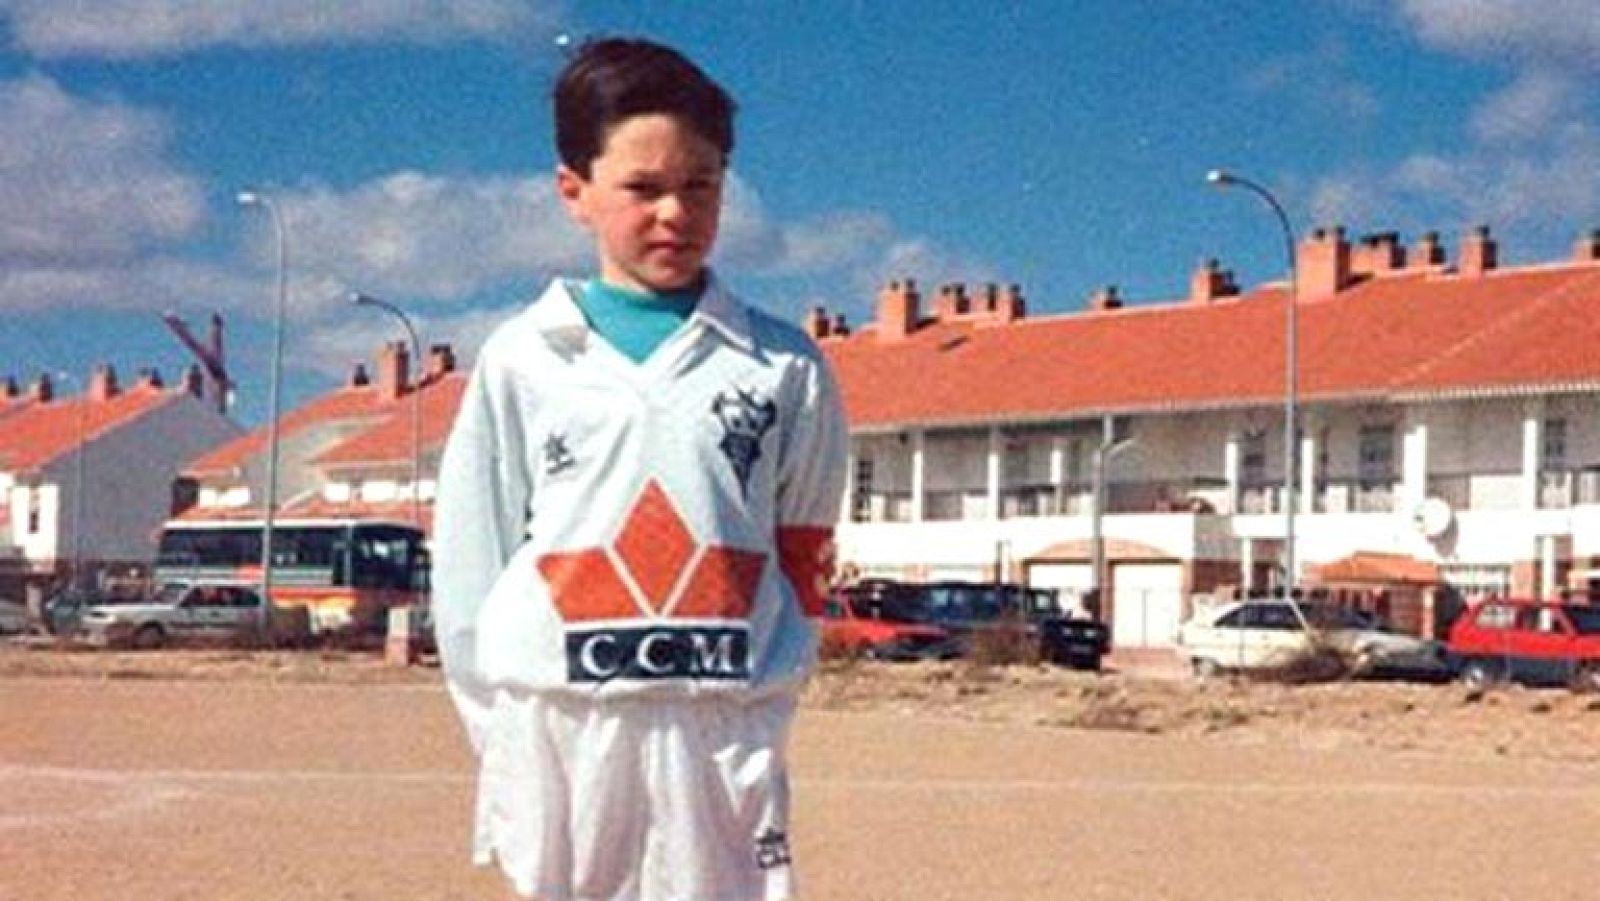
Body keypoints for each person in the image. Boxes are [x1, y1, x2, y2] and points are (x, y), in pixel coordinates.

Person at [432, 36, 847, 901]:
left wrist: (766, 697)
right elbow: (472, 565)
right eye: (643, 188)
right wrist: (504, 730)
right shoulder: (522, 359)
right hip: (563, 724)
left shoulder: (784, 366)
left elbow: (801, 551)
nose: (675, 213)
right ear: (574, 191)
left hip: (719, 726)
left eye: (700, 186)